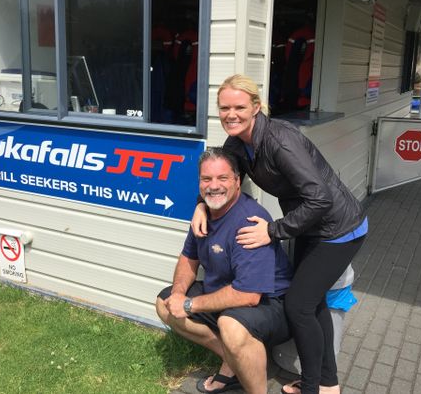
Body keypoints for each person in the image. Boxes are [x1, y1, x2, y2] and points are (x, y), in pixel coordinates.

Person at [191, 74, 368, 394]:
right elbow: (222, 181)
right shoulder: (237, 144)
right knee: (313, 304)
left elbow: (320, 198)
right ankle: (327, 384)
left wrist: (273, 231)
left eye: (239, 107)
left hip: (339, 229)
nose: (231, 114)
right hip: (309, 226)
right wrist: (200, 206)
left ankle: (313, 387)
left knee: (299, 305)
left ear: (256, 107)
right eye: (224, 108)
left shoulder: (279, 140)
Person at [156, 147, 293, 394]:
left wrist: (188, 305)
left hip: (272, 303)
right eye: (206, 179)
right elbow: (189, 258)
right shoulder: (204, 213)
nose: (214, 185)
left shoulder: (249, 221)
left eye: (222, 178)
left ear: (237, 181)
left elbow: (248, 296)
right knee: (164, 303)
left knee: (232, 325)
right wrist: (178, 294)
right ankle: (235, 360)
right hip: (226, 293)